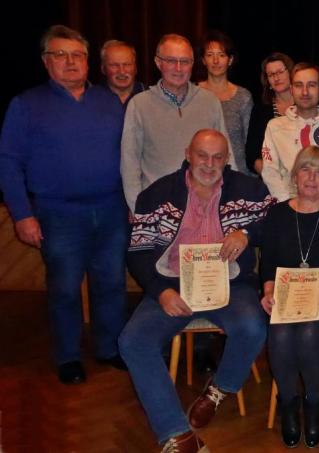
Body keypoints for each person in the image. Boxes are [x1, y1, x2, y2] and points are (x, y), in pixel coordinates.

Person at [119, 129, 273, 452]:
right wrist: (160, 291)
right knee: (133, 341)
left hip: (229, 283)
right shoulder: (157, 194)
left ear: (227, 159)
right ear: (188, 155)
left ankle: (219, 390)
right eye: (202, 156)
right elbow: (138, 251)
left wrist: (246, 233)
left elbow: (276, 223)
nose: (209, 164)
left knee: (253, 325)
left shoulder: (250, 189)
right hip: (173, 284)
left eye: (218, 157)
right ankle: (177, 434)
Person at [0, 25, 128, 384]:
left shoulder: (108, 101)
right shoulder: (26, 105)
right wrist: (22, 214)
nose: (70, 62)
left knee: (111, 284)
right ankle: (68, 355)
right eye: (60, 55)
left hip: (112, 210)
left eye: (77, 55)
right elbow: (8, 162)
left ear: (88, 62)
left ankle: (109, 348)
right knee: (65, 288)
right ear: (46, 61)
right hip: (58, 214)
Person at [260, 146, 319, 448]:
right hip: (285, 300)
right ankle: (288, 402)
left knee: (310, 331)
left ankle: (313, 401)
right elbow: (268, 263)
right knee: (280, 332)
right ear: (294, 175)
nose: (312, 178)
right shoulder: (277, 214)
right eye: (305, 169)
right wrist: (268, 292)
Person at [121, 33, 235, 211]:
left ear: (193, 64)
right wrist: (139, 209)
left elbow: (226, 155)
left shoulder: (210, 101)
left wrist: (231, 202)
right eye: (171, 61)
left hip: (206, 207)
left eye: (185, 61)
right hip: (157, 208)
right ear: (158, 62)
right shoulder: (139, 105)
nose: (179, 68)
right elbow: (129, 164)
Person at [261, 63, 319, 201]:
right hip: (288, 203)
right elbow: (270, 172)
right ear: (291, 89)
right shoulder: (275, 127)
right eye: (299, 85)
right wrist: (288, 204)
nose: (305, 92)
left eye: (311, 85)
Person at [198, 30, 254, 175]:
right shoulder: (193, 94)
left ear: (230, 60)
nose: (216, 61)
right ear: (203, 60)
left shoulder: (243, 97)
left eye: (221, 55)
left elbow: (249, 143)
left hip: (237, 173)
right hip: (201, 172)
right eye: (210, 55)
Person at [245, 52, 295, 175]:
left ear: (291, 73)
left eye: (280, 72)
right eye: (271, 75)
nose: (276, 78)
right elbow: (252, 154)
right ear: (267, 81)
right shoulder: (260, 110)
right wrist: (271, 178)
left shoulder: (304, 104)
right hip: (272, 177)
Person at [99, 39, 144, 106]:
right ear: (103, 69)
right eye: (114, 65)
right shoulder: (90, 97)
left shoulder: (151, 97)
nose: (122, 71)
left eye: (127, 64)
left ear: (135, 68)